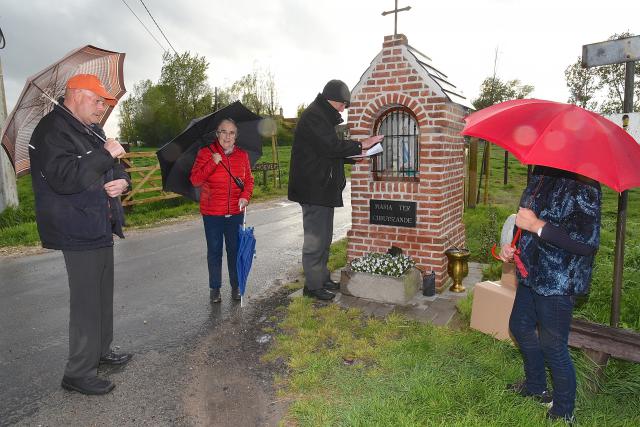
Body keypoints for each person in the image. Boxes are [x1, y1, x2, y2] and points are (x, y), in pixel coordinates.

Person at [29, 74, 132, 395]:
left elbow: (114, 168)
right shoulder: (51, 131)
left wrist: (122, 181)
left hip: (99, 224)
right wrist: (104, 155)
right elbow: (64, 177)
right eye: (97, 100)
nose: (103, 108)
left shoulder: (91, 130)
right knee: (86, 301)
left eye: (105, 102)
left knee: (102, 295)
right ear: (75, 95)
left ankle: (101, 351)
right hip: (75, 226)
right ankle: (78, 372)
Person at [499, 166, 601, 423]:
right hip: (530, 270)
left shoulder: (585, 183)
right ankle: (536, 388)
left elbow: (587, 244)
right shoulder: (541, 173)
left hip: (558, 279)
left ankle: (564, 410)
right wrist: (511, 245)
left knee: (553, 345)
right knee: (520, 326)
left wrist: (537, 225)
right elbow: (523, 217)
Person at [288, 79, 384, 300]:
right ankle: (312, 287)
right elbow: (329, 146)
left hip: (323, 188)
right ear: (334, 100)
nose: (344, 109)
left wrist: (353, 157)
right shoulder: (315, 116)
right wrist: (362, 144)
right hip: (314, 189)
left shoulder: (322, 117)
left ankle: (320, 278)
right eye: (343, 105)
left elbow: (325, 152)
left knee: (324, 237)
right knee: (315, 241)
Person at [190, 118, 255, 303]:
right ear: (217, 134)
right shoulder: (205, 153)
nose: (227, 136)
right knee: (215, 251)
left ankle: (236, 287)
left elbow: (249, 180)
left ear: (236, 136)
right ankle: (215, 288)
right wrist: (212, 163)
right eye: (223, 132)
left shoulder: (242, 156)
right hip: (212, 214)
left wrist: (245, 196)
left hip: (236, 212)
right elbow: (195, 180)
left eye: (231, 132)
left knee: (234, 250)